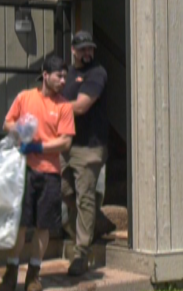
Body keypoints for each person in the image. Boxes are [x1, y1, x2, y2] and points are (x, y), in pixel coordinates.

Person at [0, 55, 76, 291]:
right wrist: (21, 131)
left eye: (65, 76)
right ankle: (11, 273)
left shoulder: (64, 106)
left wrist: (39, 146)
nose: (63, 80)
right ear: (45, 75)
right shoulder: (25, 97)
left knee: (43, 227)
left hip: (50, 174)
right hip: (25, 172)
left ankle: (34, 274)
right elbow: (7, 124)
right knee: (21, 225)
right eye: (59, 76)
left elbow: (65, 143)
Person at [60, 30, 110, 276]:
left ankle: (81, 254)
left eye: (90, 49)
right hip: (66, 145)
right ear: (73, 50)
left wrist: (49, 109)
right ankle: (94, 224)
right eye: (83, 49)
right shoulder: (66, 74)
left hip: (90, 146)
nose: (88, 53)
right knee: (63, 191)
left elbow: (80, 106)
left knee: (85, 197)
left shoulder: (97, 73)